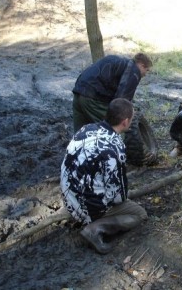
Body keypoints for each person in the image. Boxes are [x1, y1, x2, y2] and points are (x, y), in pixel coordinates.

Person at [60, 98, 147, 254]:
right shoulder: (115, 147)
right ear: (125, 122)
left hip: (68, 194)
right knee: (139, 214)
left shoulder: (86, 129)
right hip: (86, 208)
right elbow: (118, 197)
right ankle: (95, 229)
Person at [72, 53, 153, 132]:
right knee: (115, 127)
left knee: (80, 133)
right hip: (92, 97)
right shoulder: (134, 71)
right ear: (142, 65)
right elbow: (121, 101)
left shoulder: (118, 61)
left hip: (78, 91)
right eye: (147, 70)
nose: (145, 74)